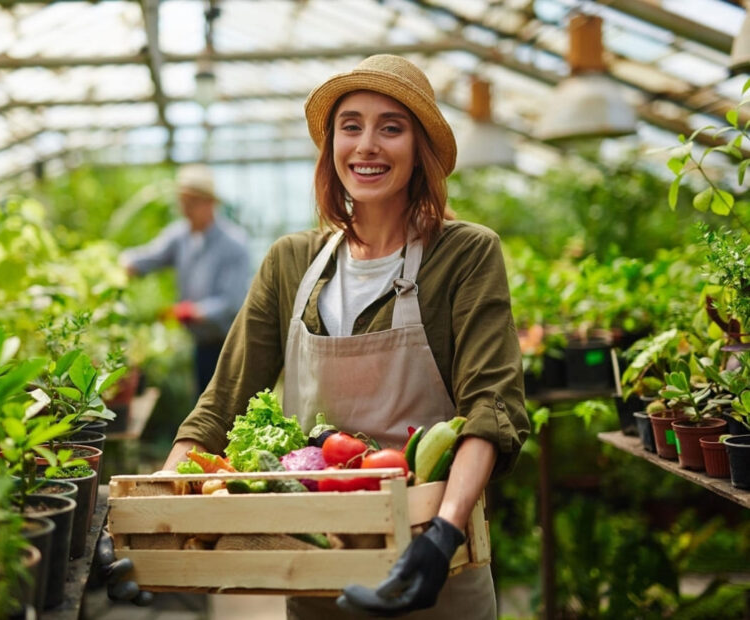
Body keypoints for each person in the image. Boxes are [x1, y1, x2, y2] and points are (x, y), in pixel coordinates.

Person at [104, 54, 529, 618]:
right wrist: (154, 521)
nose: (367, 145)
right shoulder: (290, 262)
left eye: (391, 127)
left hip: (431, 565)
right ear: (331, 145)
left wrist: (444, 533)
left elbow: (491, 408)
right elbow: (218, 408)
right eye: (350, 126)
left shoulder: (465, 254)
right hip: (314, 566)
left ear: (420, 147)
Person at [119, 164, 251, 397]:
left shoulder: (234, 244)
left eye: (191, 203)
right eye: (182, 202)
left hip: (230, 345)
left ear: (209, 203)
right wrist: (121, 263)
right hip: (201, 343)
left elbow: (232, 301)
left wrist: (193, 311)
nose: (185, 210)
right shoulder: (180, 236)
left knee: (227, 404)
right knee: (203, 400)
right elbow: (151, 257)